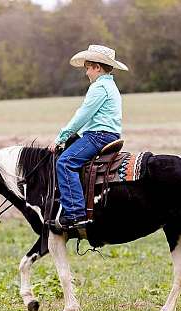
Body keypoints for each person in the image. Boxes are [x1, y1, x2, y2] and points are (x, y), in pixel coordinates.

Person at [49, 45, 128, 229]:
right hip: (106, 134)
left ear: (97, 68)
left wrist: (61, 137)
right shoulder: (110, 85)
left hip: (98, 136)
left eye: (88, 68)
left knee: (65, 163)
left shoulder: (99, 87)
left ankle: (76, 214)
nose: (86, 73)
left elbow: (83, 115)